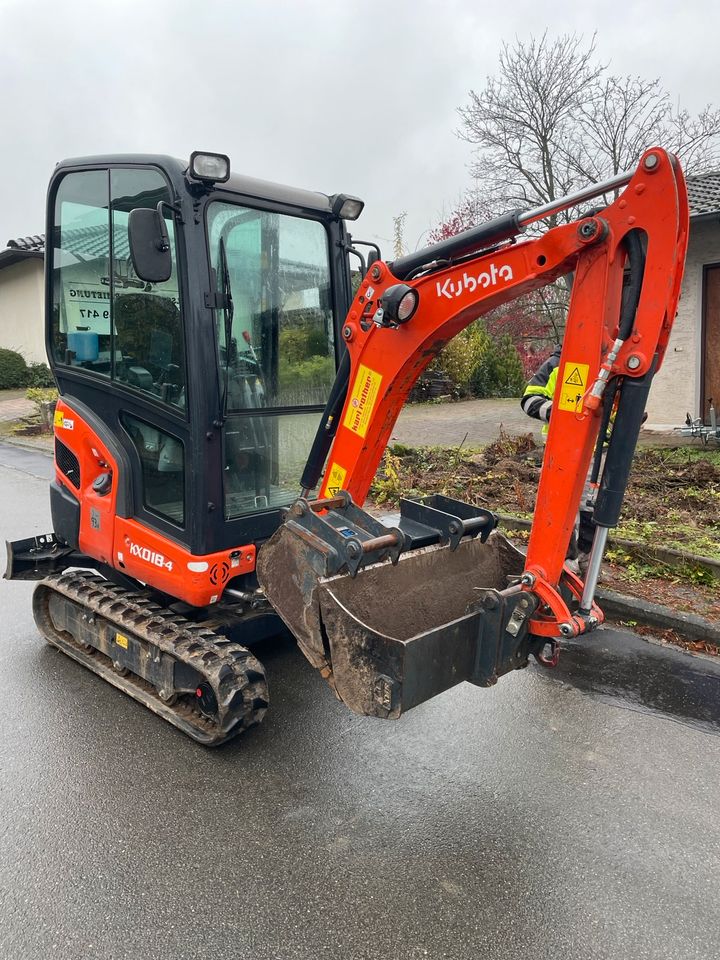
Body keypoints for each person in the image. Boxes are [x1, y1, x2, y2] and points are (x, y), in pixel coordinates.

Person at [521, 346, 596, 574]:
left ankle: (586, 560)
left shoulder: (610, 368)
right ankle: (565, 563)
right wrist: (562, 413)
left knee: (592, 507)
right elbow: (529, 399)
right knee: (562, 507)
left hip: (599, 453)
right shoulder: (558, 365)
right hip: (563, 450)